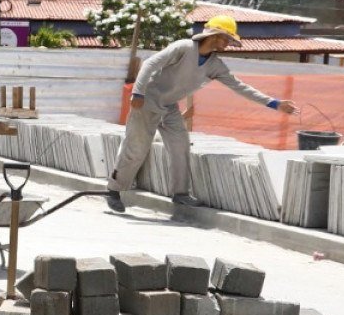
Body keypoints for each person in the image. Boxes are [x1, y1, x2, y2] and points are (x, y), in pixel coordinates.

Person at [106, 16, 297, 213]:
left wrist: (274, 104)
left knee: (180, 146)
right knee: (136, 148)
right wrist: (138, 92)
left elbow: (240, 87)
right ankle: (114, 190)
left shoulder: (215, 65)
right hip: (147, 102)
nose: (228, 44)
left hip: (169, 106)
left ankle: (180, 194)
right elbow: (149, 64)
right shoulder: (183, 48)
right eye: (227, 39)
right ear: (215, 36)